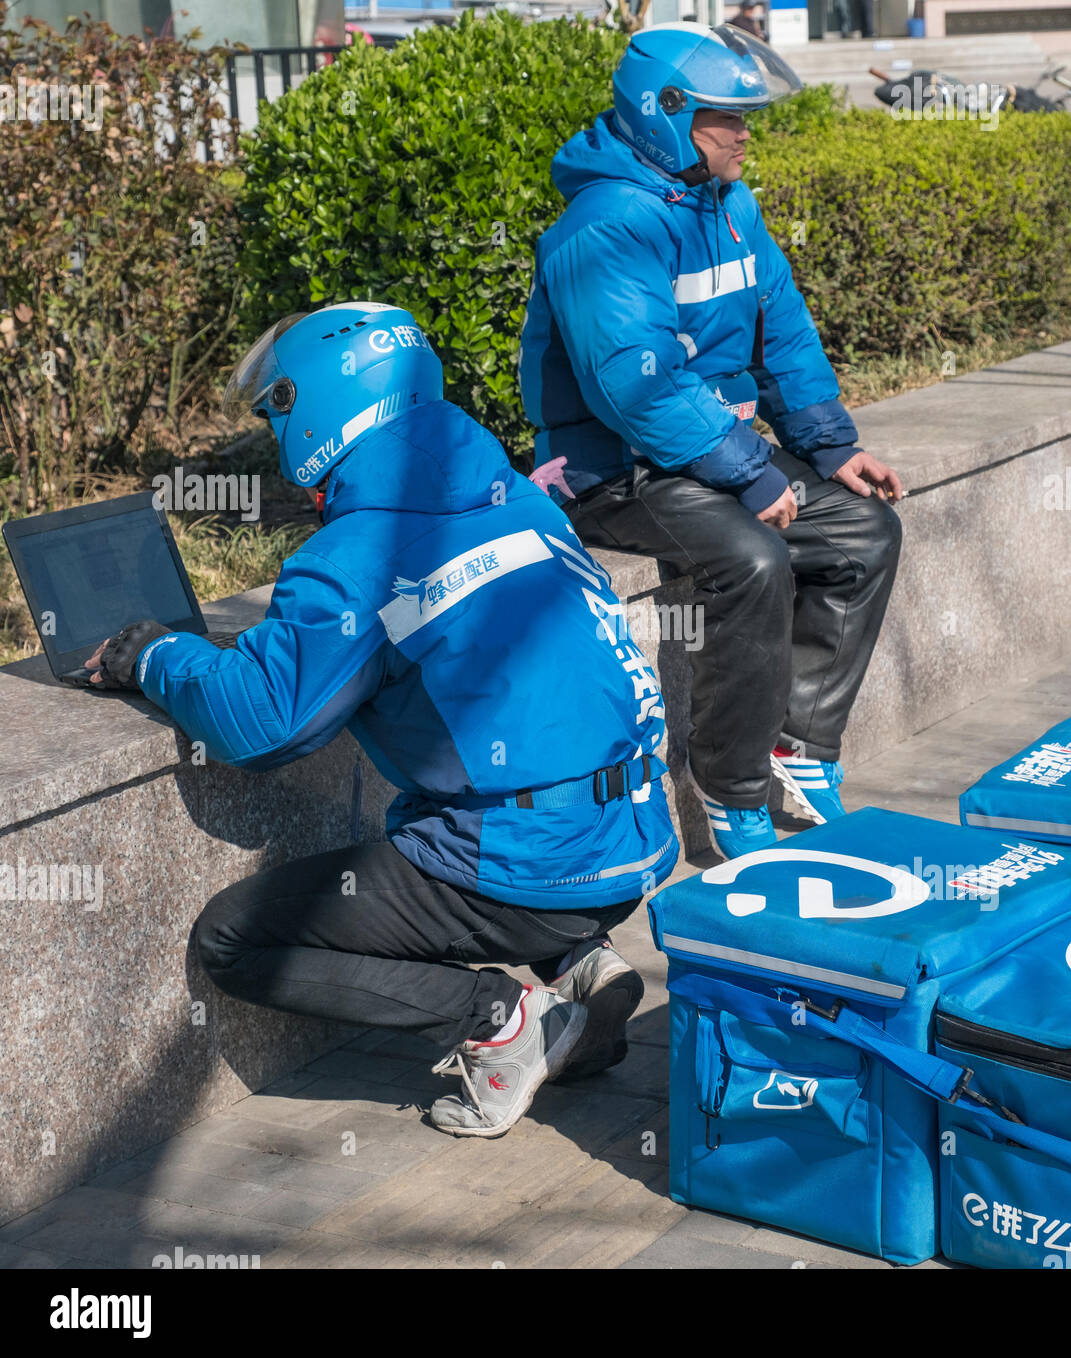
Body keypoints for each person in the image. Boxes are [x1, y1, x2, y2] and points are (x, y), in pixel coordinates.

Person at [85, 302, 678, 1138]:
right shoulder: (509, 492)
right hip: (638, 842)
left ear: (321, 406)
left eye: (279, 408)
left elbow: (262, 725)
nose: (272, 428)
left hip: (536, 868)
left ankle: (505, 1021)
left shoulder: (358, 554)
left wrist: (149, 658)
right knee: (453, 812)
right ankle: (580, 966)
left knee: (233, 939)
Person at [519, 24, 903, 861]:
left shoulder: (730, 205)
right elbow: (636, 385)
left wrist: (829, 446)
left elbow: (784, 335)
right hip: (612, 469)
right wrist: (751, 472)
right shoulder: (606, 224)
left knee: (865, 531)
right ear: (665, 115)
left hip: (705, 454)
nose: (744, 132)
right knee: (752, 563)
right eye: (725, 117)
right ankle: (731, 790)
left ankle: (794, 747)